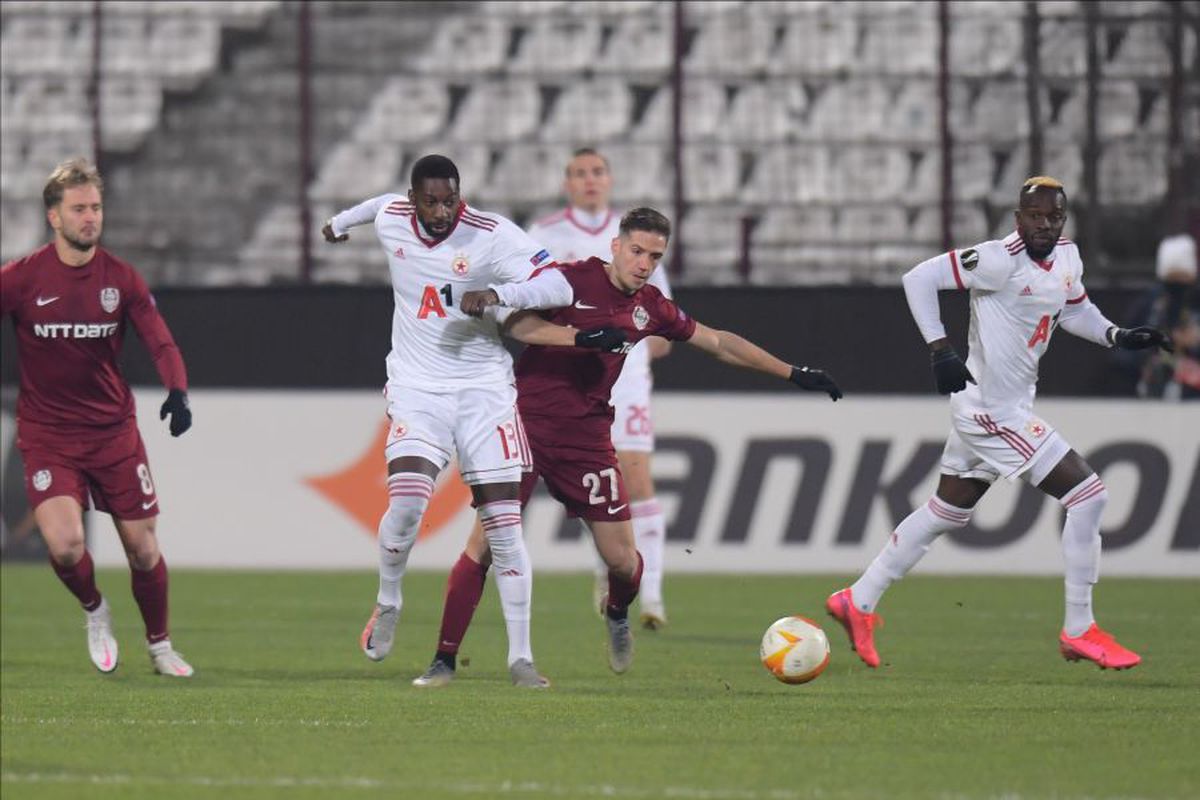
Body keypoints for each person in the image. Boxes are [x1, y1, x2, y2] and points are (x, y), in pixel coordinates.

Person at [409, 207, 843, 687]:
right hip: (523, 426)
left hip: (587, 439)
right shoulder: (569, 280)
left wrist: (792, 372)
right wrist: (580, 337)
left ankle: (616, 610)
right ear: (615, 246)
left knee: (622, 561)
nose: (643, 263)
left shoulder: (652, 307)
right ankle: (443, 659)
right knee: (485, 543)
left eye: (654, 256)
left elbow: (718, 342)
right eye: (636, 251)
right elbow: (517, 326)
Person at [825, 176, 1172, 671]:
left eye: (1054, 217)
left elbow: (1073, 309)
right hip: (989, 410)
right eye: (1035, 216)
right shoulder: (997, 259)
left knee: (948, 510)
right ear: (1017, 218)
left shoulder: (1068, 257)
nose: (1044, 225)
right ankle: (1080, 629)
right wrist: (939, 349)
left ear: (1063, 221)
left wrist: (1116, 335)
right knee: (1089, 495)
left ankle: (857, 600)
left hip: (1005, 406)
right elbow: (918, 279)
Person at [321, 154, 593, 688]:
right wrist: (338, 223)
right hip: (418, 390)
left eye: (450, 199)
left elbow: (559, 287)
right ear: (413, 199)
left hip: (484, 392)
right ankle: (389, 600)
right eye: (431, 201)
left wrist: (500, 294)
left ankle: (521, 658)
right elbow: (376, 207)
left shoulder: (491, 234)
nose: (442, 211)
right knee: (406, 502)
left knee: (504, 525)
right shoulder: (392, 217)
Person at [0, 157, 195, 677]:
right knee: (65, 547)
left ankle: (160, 646)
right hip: (47, 435)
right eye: (79, 208)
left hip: (114, 435)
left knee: (143, 548)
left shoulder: (121, 279)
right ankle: (94, 610)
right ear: (54, 217)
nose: (90, 217)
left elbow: (159, 338)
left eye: (96, 207)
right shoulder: (21, 279)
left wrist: (177, 390)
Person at [528, 148, 675, 629]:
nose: (589, 181)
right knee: (568, 483)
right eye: (579, 173)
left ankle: (650, 597)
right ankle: (607, 564)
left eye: (597, 172)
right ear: (566, 182)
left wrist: (628, 342)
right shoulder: (543, 234)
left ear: (610, 180)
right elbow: (526, 303)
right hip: (562, 378)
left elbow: (662, 325)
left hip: (625, 377)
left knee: (635, 477)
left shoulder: (640, 240)